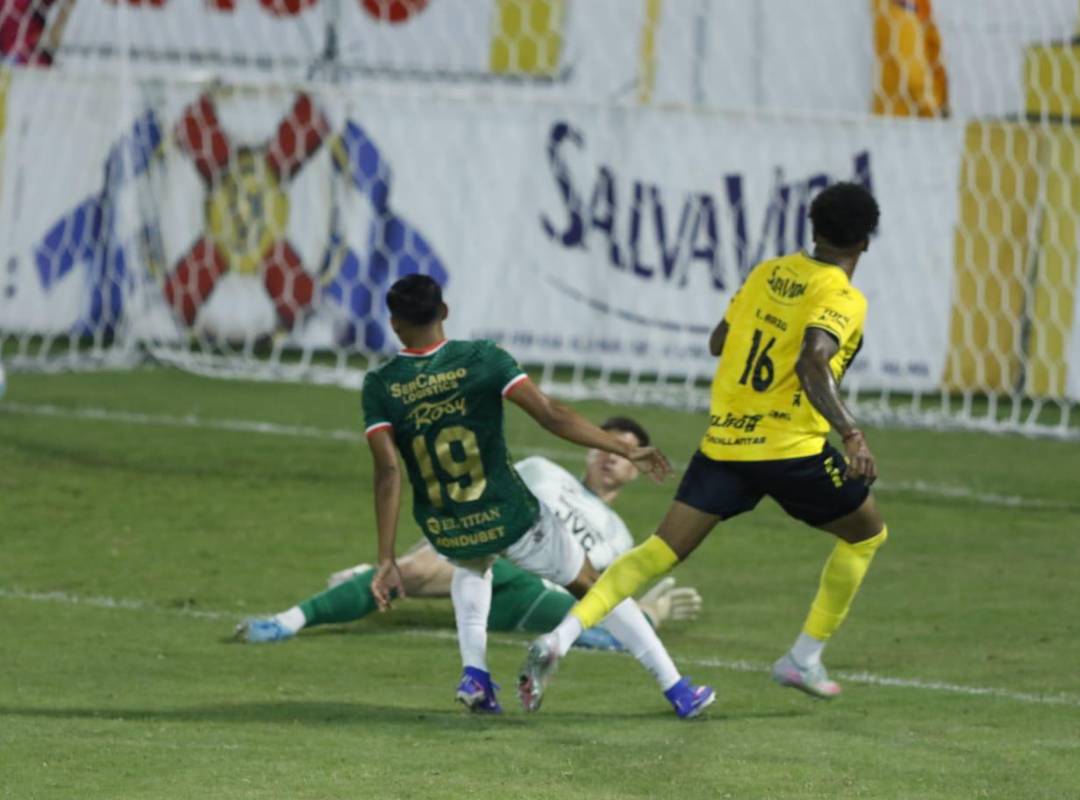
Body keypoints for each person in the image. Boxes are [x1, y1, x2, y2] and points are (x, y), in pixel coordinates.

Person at [521, 182, 887, 707]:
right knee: (866, 535)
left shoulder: (768, 272)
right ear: (865, 242)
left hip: (725, 444)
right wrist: (850, 431)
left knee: (657, 552)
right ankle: (802, 658)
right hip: (790, 450)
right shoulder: (843, 296)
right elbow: (813, 359)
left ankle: (562, 635)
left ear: (813, 228)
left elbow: (720, 341)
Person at [362, 274, 715, 718]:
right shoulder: (481, 359)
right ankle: (678, 688)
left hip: (446, 520)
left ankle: (476, 676)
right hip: (510, 514)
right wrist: (626, 448)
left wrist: (386, 558)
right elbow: (552, 415)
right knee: (596, 587)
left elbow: (388, 471)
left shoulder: (381, 385)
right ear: (445, 312)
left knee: (473, 565)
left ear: (394, 324)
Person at [234, 428, 703, 647]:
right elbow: (478, 508)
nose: (611, 457)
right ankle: (288, 621)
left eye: (624, 452)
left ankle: (626, 629)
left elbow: (599, 585)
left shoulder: (618, 534)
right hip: (499, 557)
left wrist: (645, 609)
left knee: (606, 622)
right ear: (590, 450)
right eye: (607, 444)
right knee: (414, 571)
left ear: (636, 471)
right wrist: (413, 554)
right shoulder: (543, 470)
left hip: (536, 595)